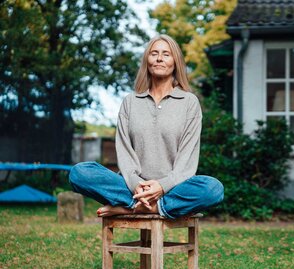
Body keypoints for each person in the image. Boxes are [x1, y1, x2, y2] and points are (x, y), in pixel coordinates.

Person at [69, 34, 224, 219]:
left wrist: (162, 186)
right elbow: (125, 152)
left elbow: (187, 161)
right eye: (154, 53)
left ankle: (139, 207)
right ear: (147, 61)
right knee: (79, 173)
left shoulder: (189, 102)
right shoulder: (130, 101)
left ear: (175, 62)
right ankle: (145, 204)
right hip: (132, 187)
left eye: (166, 54)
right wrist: (136, 183)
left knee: (213, 189)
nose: (159, 58)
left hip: (173, 188)